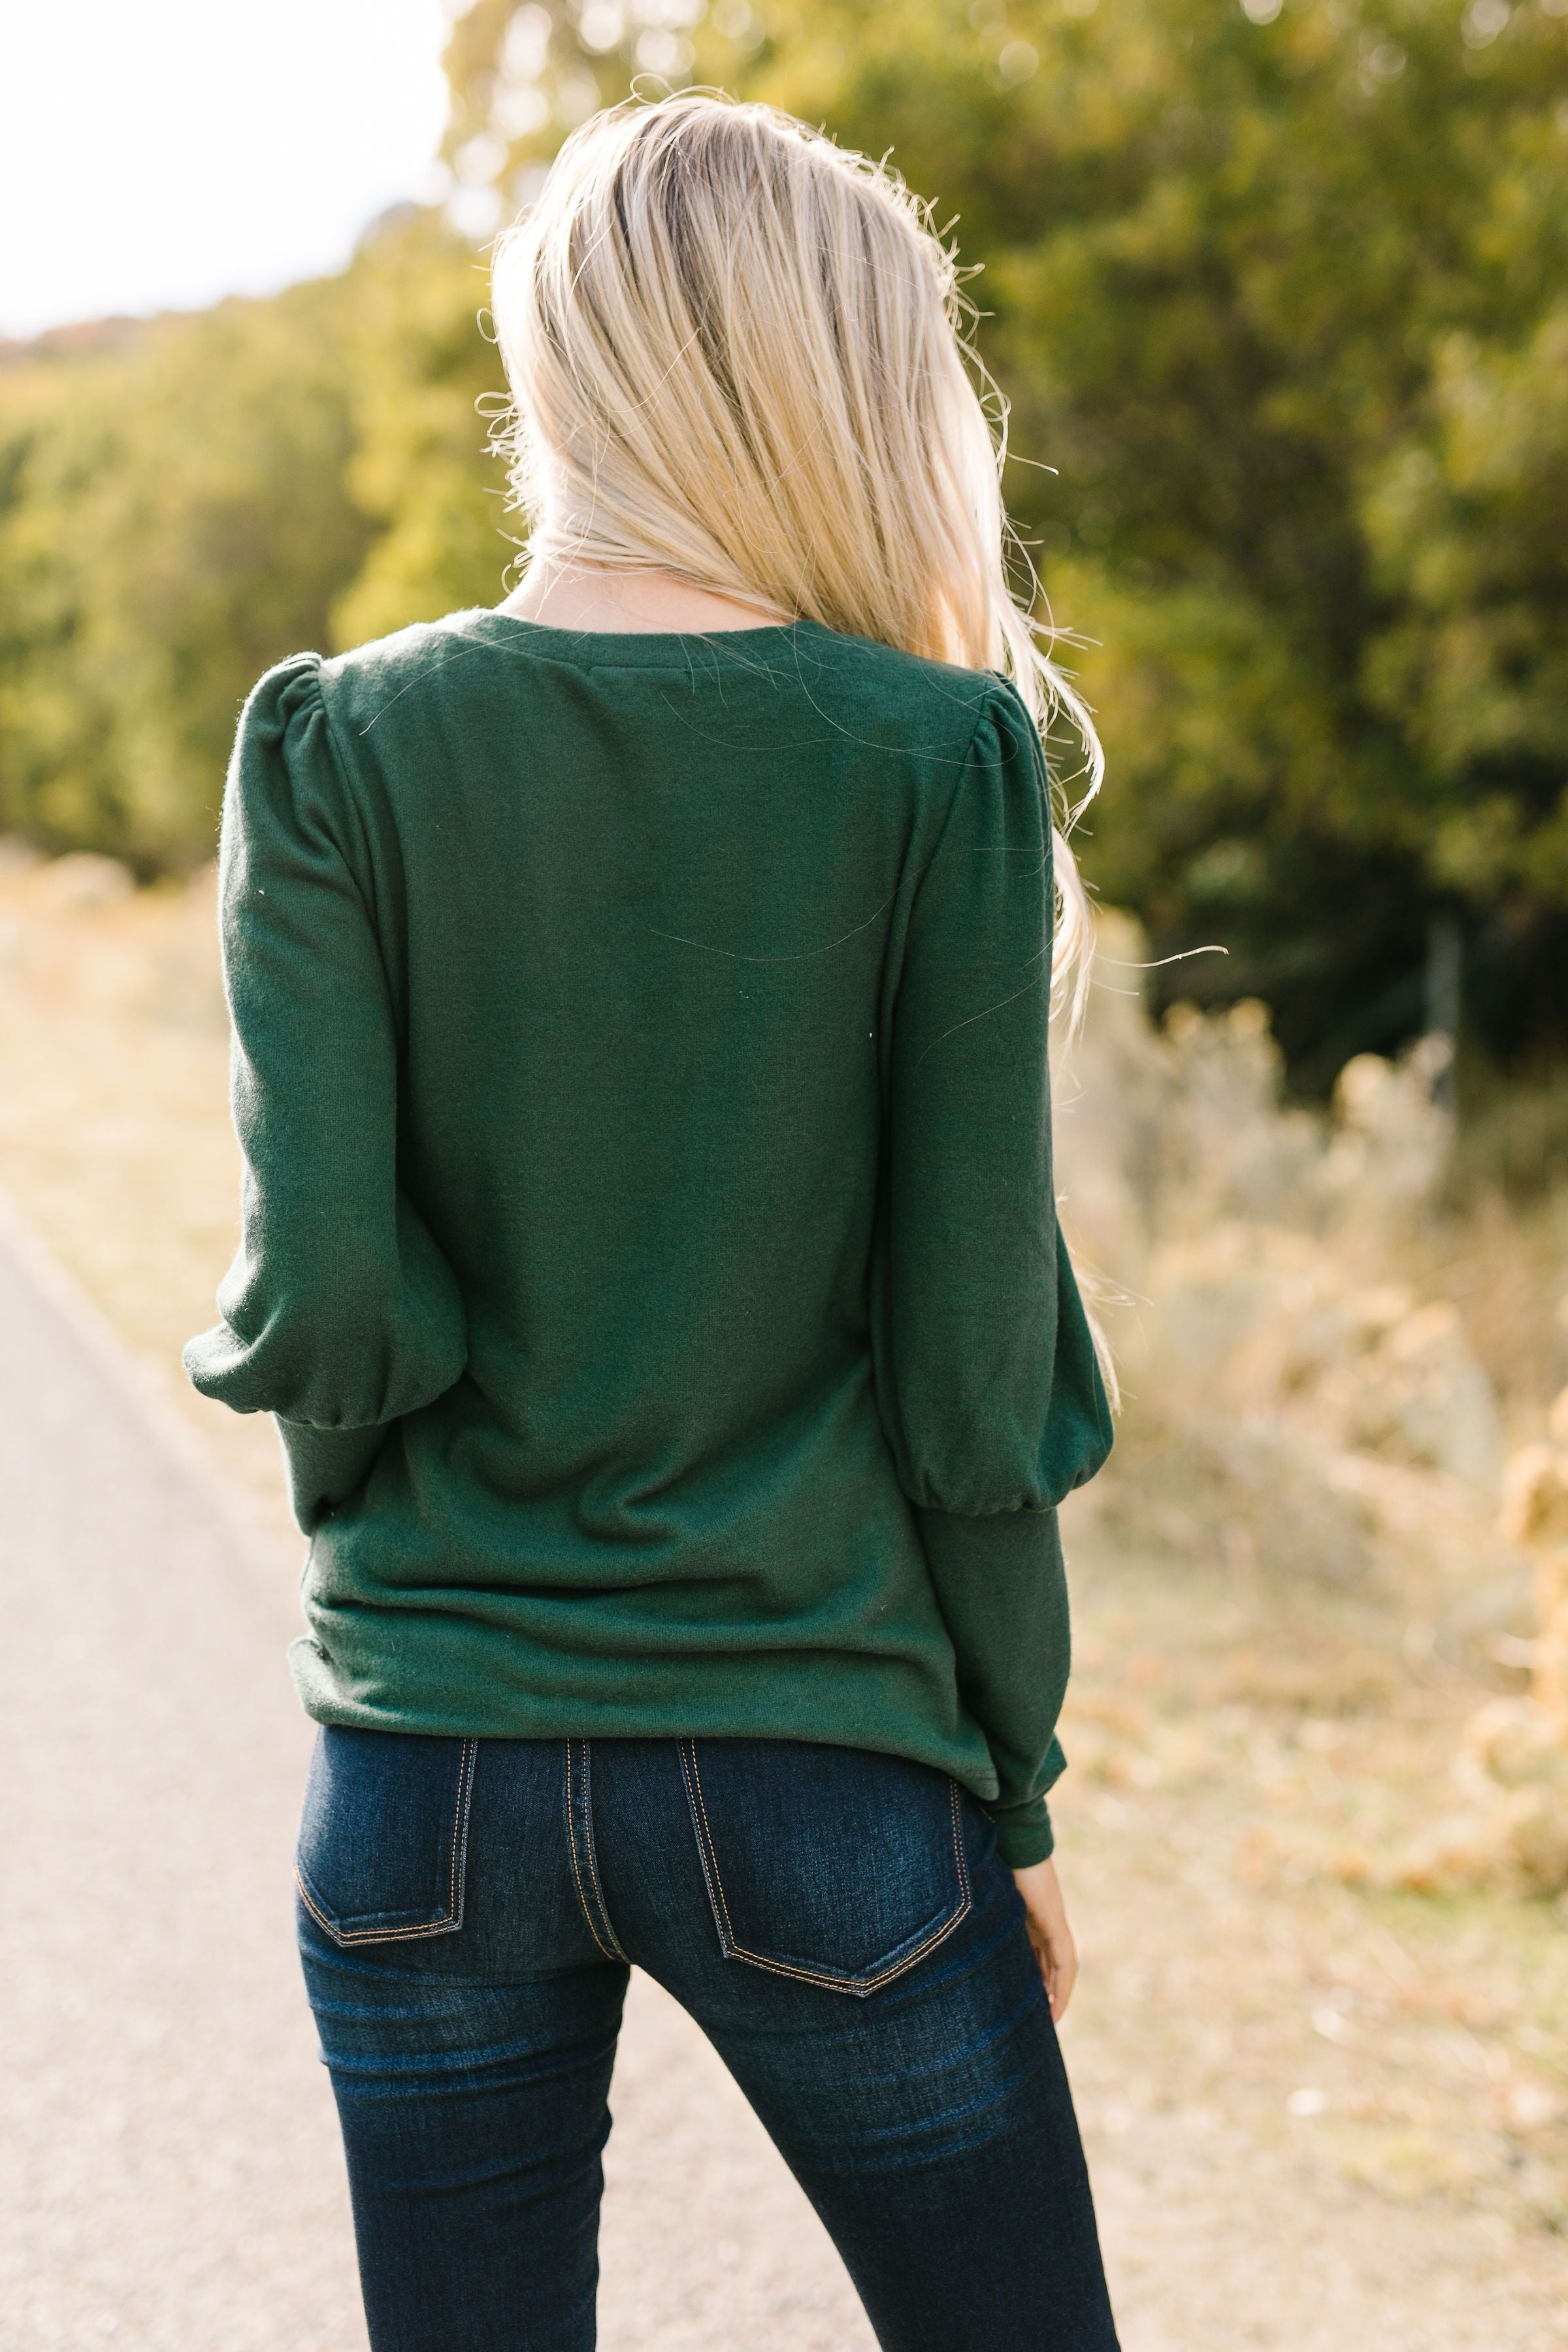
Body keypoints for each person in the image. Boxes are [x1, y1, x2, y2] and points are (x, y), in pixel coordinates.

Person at [184, 90, 1120, 2352]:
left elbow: (325, 1307)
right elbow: (971, 1369)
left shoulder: (330, 747)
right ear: (838, 372)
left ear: (557, 360)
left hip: (421, 1775)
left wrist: (427, 1569)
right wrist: (1015, 1786)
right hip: (826, 1770)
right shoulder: (939, 763)